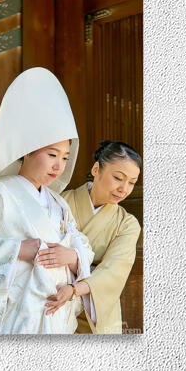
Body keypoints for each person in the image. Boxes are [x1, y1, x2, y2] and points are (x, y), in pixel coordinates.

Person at [0, 67, 94, 335]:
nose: (59, 165)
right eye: (52, 154)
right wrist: (17, 250)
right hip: (14, 323)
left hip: (55, 319)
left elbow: (83, 246)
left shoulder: (59, 203)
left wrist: (74, 257)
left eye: (65, 157)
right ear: (28, 151)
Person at [60, 141, 142, 334]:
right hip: (54, 304)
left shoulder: (127, 224)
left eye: (131, 182)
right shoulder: (60, 202)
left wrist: (73, 289)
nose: (124, 189)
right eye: (118, 178)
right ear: (96, 169)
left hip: (95, 317)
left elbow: (113, 271)